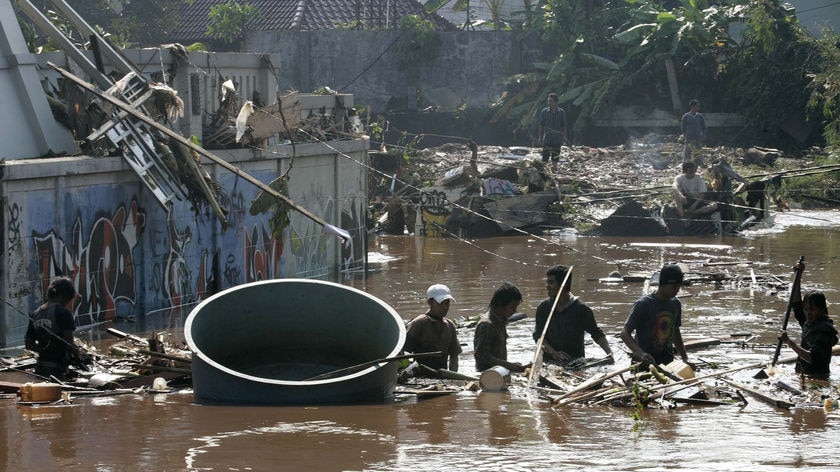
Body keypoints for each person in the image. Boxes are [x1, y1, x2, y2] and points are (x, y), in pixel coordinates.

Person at [532, 265, 613, 364]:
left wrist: (609, 354)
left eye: (551, 282)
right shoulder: (544, 308)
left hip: (576, 363)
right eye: (547, 282)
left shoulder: (581, 309)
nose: (547, 286)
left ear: (564, 284)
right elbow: (539, 337)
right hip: (549, 362)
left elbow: (597, 334)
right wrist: (554, 353)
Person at [620, 264, 691, 367]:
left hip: (667, 361)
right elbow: (625, 333)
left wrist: (685, 358)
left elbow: (675, 331)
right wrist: (641, 354)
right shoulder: (644, 304)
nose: (677, 290)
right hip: (643, 362)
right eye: (674, 287)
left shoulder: (676, 304)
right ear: (662, 285)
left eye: (679, 287)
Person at [779, 261, 838, 379]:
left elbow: (812, 358)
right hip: (804, 375)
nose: (808, 313)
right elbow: (796, 303)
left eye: (812, 309)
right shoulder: (808, 321)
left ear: (822, 310)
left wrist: (789, 342)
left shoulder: (823, 330)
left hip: (818, 377)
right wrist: (798, 275)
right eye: (806, 309)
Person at [25, 276, 79, 380]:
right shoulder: (63, 312)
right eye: (68, 300)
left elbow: (28, 344)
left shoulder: (36, 313)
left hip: (40, 368)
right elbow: (70, 344)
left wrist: (43, 350)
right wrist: (79, 357)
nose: (67, 304)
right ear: (63, 296)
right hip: (58, 370)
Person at [474, 282, 530, 373]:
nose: (515, 311)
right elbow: (482, 356)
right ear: (500, 304)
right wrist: (510, 366)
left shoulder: (501, 320)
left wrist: (510, 366)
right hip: (487, 376)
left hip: (500, 373)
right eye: (512, 307)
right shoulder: (486, 325)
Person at [404, 284, 462, 371]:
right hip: (421, 375)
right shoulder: (418, 323)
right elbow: (404, 353)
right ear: (430, 302)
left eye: (447, 303)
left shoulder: (450, 326)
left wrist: (453, 377)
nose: (445, 307)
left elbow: (454, 356)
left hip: (442, 375)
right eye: (440, 303)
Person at [538, 92, 567, 163]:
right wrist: (540, 137)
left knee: (555, 159)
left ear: (556, 102)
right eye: (548, 101)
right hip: (547, 139)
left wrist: (564, 137)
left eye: (551, 101)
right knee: (545, 159)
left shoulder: (561, 112)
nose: (549, 103)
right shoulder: (544, 112)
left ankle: (554, 171)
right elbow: (541, 125)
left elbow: (563, 126)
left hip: (557, 140)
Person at [681, 99, 706, 164]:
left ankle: (699, 166)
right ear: (692, 107)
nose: (698, 108)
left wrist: (703, 136)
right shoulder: (686, 116)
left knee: (698, 155)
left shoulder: (700, 116)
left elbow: (704, 127)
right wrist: (686, 136)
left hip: (698, 139)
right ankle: (686, 166)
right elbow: (683, 128)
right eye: (697, 106)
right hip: (689, 139)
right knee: (687, 155)